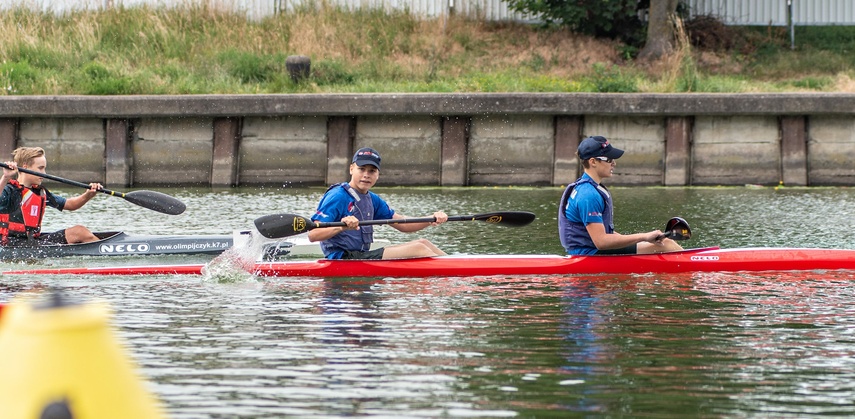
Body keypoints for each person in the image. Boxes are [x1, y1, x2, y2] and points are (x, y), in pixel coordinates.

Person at [308, 147, 448, 260]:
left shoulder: (372, 199)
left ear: (378, 174)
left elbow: (403, 224)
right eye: (361, 169)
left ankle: (458, 266)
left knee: (423, 243)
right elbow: (313, 234)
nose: (366, 175)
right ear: (351, 169)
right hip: (342, 259)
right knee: (419, 249)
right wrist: (342, 227)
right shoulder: (337, 196)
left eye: (372, 171)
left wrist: (430, 219)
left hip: (360, 256)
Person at [559, 136, 683, 255]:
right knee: (667, 245)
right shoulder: (588, 194)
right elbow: (601, 242)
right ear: (593, 162)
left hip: (587, 250)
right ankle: (693, 266)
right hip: (588, 254)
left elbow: (604, 233)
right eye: (608, 159)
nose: (614, 163)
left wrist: (644, 239)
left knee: (662, 243)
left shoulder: (588, 188)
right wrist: (643, 236)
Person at [0, 146, 103, 246]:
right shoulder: (10, 190)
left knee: (80, 232)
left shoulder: (40, 192)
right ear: (25, 166)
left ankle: (104, 249)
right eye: (40, 168)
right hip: (11, 244)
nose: (44, 173)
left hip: (33, 242)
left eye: (44, 169)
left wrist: (88, 195)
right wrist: (5, 177)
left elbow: (70, 205)